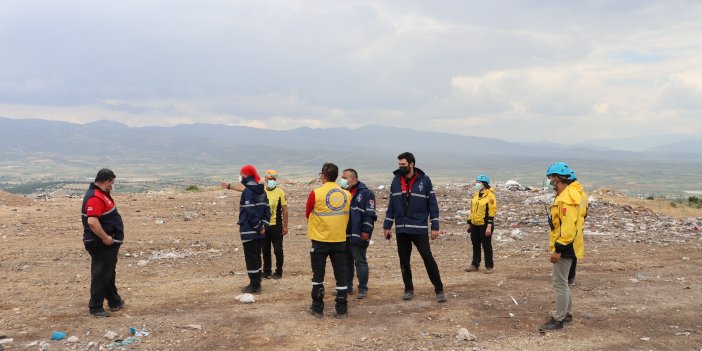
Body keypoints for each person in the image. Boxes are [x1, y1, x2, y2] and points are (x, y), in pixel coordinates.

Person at [383, 152, 447, 302]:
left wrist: (435, 226)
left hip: (419, 228)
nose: (401, 167)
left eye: (403, 165)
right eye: (399, 165)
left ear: (411, 164)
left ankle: (439, 289)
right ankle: (408, 289)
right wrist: (387, 225)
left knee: (427, 258)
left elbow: (433, 205)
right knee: (404, 260)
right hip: (402, 229)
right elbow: (391, 205)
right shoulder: (395, 181)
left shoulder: (424, 181)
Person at [539, 162, 584, 332]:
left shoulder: (567, 200)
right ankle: (567, 313)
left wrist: (557, 249)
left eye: (551, 178)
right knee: (564, 283)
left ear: (557, 178)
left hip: (565, 246)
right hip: (571, 244)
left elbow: (568, 229)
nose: (550, 181)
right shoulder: (573, 194)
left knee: (560, 284)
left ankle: (558, 319)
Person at [306, 163, 352, 317]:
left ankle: (317, 307)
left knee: (318, 275)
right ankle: (341, 309)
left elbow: (308, 213)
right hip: (339, 240)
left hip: (319, 240)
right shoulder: (347, 194)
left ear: (324, 175)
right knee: (341, 275)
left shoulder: (315, 193)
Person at [81, 168, 125, 317]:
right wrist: (106, 238)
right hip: (100, 242)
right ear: (107, 182)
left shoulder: (101, 195)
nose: (112, 185)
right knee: (101, 273)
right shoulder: (95, 197)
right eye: (112, 182)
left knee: (107, 272)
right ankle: (96, 307)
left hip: (107, 242)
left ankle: (114, 301)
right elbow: (92, 222)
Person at [222, 165, 271, 293]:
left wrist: (258, 226)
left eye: (241, 174)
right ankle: (257, 281)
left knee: (251, 257)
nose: (241, 176)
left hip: (250, 231)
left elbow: (250, 211)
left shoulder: (248, 192)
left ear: (246, 175)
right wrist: (264, 225)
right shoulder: (261, 190)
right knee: (256, 256)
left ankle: (254, 285)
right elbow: (267, 209)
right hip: (260, 232)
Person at [341, 168, 377, 299]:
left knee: (360, 261)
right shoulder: (342, 192)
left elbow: (370, 214)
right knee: (346, 261)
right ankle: (347, 287)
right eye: (342, 177)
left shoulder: (366, 194)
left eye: (345, 177)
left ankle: (362, 288)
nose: (342, 180)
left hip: (359, 233)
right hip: (344, 234)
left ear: (353, 179)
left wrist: (366, 230)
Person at [465, 175, 497, 274]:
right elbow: (472, 210)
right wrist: (470, 224)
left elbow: (492, 212)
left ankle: (489, 266)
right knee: (475, 245)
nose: (477, 184)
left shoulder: (490, 195)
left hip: (484, 224)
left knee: (486, 245)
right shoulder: (476, 194)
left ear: (484, 183)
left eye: (479, 182)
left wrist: (489, 226)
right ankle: (475, 264)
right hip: (475, 224)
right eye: (476, 182)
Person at [262, 170, 288, 279]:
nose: (271, 181)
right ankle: (267, 271)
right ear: (266, 179)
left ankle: (279, 271)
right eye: (270, 179)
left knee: (278, 250)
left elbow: (285, 210)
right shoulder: (262, 192)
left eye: (273, 179)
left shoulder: (280, 192)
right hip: (265, 226)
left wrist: (285, 226)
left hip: (276, 225)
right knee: (265, 250)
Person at [567, 169, 588, 286]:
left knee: (567, 252)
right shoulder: (583, 193)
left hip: (571, 227)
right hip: (579, 226)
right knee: (574, 253)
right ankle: (571, 276)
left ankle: (568, 277)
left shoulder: (570, 194)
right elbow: (585, 212)